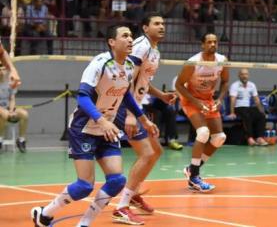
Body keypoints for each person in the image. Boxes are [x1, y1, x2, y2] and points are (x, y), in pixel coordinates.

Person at [30, 25, 158, 227]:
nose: (130, 39)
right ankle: (43, 214)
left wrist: (143, 119)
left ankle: (84, 224)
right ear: (112, 42)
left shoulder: (129, 67)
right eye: (124, 36)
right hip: (84, 128)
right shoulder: (100, 63)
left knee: (116, 181)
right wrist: (102, 120)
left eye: (131, 36)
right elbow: (82, 97)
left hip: (107, 129)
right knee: (84, 186)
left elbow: (125, 95)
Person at [112, 14, 177, 224]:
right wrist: (131, 114)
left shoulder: (154, 50)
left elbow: (143, 81)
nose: (161, 27)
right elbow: (128, 78)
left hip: (136, 106)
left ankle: (134, 193)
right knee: (148, 153)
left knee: (156, 151)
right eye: (156, 23)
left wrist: (161, 96)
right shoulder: (140, 46)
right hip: (124, 105)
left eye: (163, 23)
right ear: (145, 28)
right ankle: (122, 205)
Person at [176, 33, 229, 192]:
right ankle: (194, 177)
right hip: (191, 100)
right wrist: (196, 102)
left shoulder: (222, 61)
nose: (212, 44)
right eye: (209, 42)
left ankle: (192, 169)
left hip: (209, 100)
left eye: (215, 42)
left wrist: (220, 99)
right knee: (203, 132)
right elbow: (179, 85)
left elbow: (225, 81)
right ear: (202, 45)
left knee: (219, 138)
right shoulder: (193, 62)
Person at [228, 68, 268, 146]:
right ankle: (250, 138)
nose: (244, 76)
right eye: (242, 74)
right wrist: (232, 112)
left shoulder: (252, 85)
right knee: (247, 115)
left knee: (261, 115)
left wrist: (261, 111)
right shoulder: (234, 85)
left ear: (248, 75)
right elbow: (232, 100)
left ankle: (260, 138)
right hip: (238, 107)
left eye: (246, 74)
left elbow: (256, 100)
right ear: (239, 76)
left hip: (248, 108)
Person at [0, 66, 29, 152]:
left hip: (8, 110)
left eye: (3, 69)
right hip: (2, 111)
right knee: (4, 114)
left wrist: (12, 111)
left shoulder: (10, 83)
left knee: (24, 114)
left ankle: (21, 140)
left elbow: (12, 99)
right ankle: (0, 139)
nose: (1, 71)